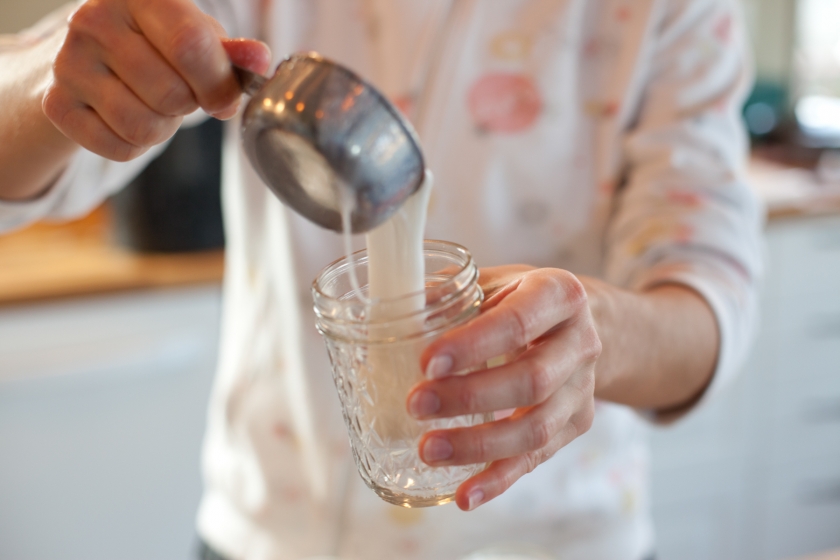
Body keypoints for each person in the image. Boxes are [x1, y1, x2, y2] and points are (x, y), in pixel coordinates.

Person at [0, 0, 763, 558]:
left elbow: (708, 302)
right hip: (271, 534)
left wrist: (598, 330)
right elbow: (33, 127)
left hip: (553, 541)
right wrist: (62, 73)